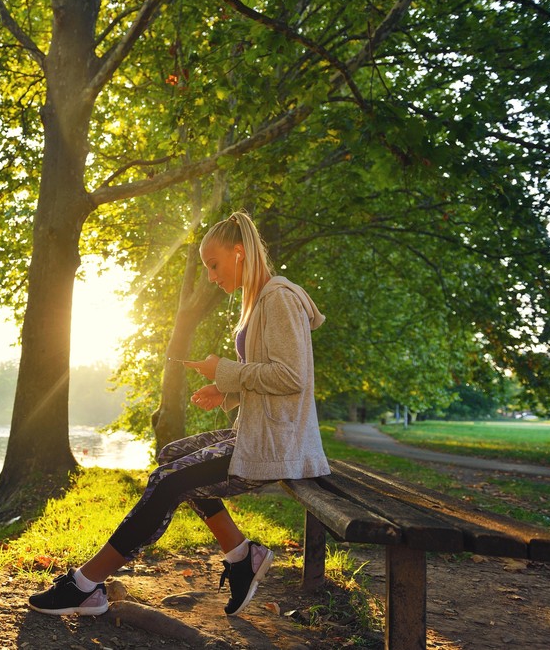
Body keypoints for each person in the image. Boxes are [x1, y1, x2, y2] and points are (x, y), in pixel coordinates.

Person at [28, 211, 330, 617]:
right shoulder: (261, 300)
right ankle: (242, 556)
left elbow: (292, 378)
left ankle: (86, 584)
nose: (210, 276)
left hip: (276, 445)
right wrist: (225, 388)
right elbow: (269, 380)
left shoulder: (278, 298)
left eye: (214, 264)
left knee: (168, 482)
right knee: (170, 456)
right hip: (259, 433)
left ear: (239, 254)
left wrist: (223, 370)